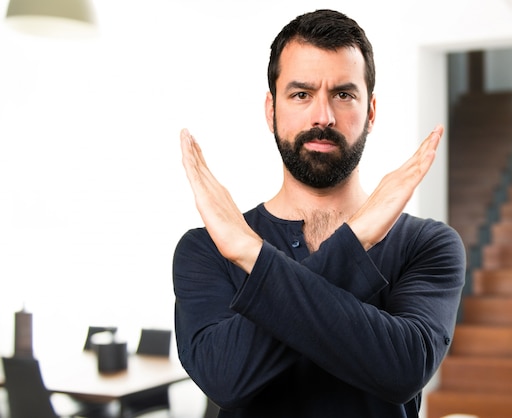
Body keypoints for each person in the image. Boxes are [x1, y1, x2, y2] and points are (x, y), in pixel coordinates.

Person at [173, 9, 465, 418]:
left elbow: (403, 371)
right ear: (271, 109)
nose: (323, 116)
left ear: (372, 111)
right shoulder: (208, 247)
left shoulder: (427, 244)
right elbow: (226, 378)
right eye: (301, 94)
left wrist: (253, 257)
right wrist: (356, 241)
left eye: (343, 94)